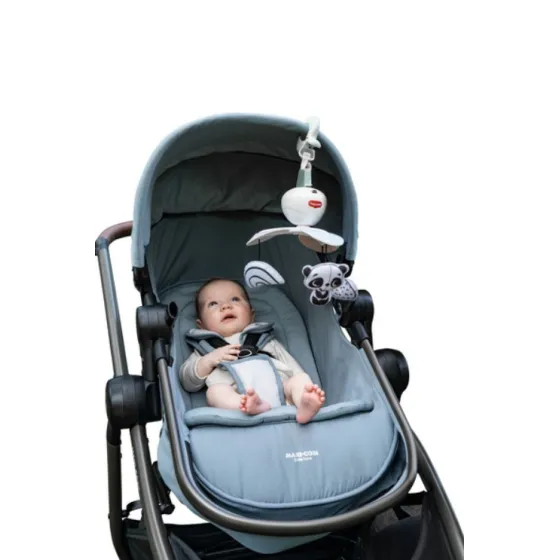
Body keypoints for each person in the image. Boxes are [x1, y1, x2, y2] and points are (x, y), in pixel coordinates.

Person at [180, 278, 325, 424]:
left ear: (251, 314)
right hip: (237, 393)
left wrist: (302, 386)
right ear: (201, 325)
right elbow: (187, 382)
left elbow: (292, 367)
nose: (225, 306)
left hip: (279, 388)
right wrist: (209, 360)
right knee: (214, 393)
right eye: (213, 304)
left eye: (235, 299)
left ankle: (304, 404)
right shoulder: (205, 349)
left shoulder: (265, 340)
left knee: (300, 379)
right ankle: (246, 406)